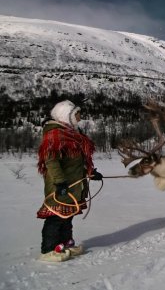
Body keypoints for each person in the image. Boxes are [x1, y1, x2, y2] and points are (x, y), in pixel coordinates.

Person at [36, 100, 103, 262]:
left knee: (68, 216)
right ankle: (48, 250)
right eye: (76, 114)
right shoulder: (55, 135)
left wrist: (91, 172)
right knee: (56, 217)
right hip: (61, 186)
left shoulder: (73, 133)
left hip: (74, 185)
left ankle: (65, 243)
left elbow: (79, 160)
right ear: (66, 116)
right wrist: (60, 182)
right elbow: (51, 161)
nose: (80, 116)